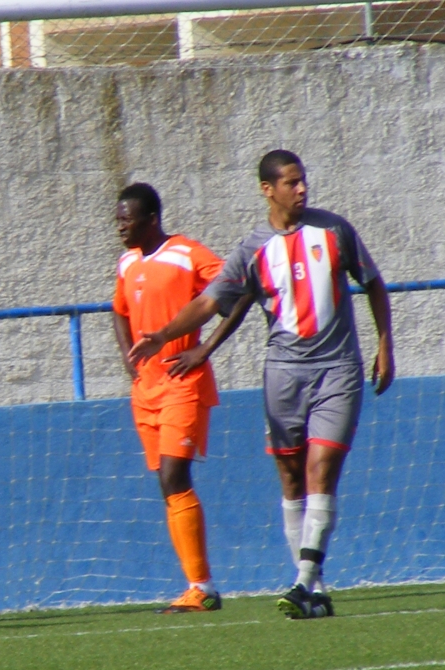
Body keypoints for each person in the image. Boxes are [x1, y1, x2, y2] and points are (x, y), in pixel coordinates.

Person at [130, 150, 395, 619]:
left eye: (303, 180)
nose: (302, 189)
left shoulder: (334, 230)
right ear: (267, 190)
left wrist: (384, 344)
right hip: (283, 375)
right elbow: (211, 302)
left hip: (338, 369)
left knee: (320, 469)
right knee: (291, 478)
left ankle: (303, 582)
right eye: (291, 182)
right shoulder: (253, 249)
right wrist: (165, 336)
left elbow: (372, 282)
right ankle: (315, 592)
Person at [112, 183, 250, 613]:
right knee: (166, 483)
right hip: (146, 390)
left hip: (182, 382)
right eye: (117, 220)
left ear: (152, 218)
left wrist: (204, 348)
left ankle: (203, 587)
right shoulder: (127, 262)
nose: (120, 227)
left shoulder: (187, 254)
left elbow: (240, 289)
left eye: (127, 219)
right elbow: (119, 311)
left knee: (175, 475)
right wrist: (130, 363)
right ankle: (197, 587)